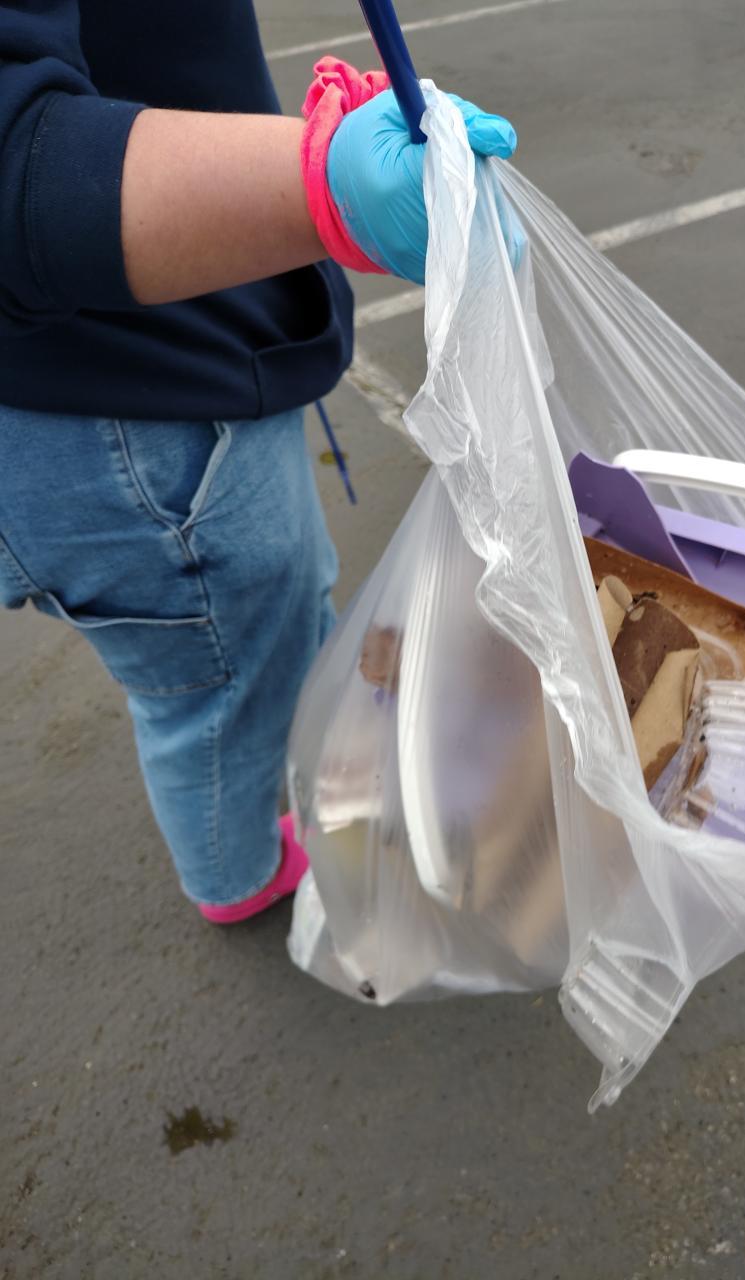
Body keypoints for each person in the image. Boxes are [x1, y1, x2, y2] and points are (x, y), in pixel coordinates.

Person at [0, 1, 516, 922]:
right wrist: (318, 182)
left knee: (252, 639)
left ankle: (279, 773)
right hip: (130, 407)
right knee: (215, 693)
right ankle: (236, 877)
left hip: (147, 367)